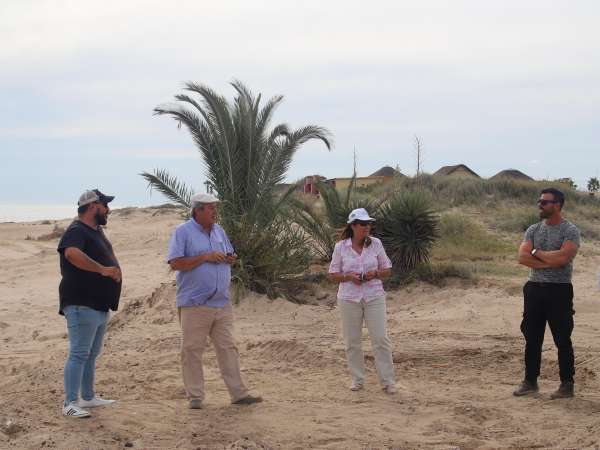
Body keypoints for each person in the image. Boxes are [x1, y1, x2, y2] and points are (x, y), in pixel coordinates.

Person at [167, 193, 262, 409]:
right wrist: (205, 257)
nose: (215, 212)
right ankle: (195, 397)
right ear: (198, 210)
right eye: (210, 208)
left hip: (222, 302)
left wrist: (230, 258)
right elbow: (175, 263)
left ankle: (238, 393)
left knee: (228, 348)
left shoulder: (219, 231)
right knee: (192, 350)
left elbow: (230, 254)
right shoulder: (183, 232)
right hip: (195, 303)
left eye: (215, 208)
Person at [57, 189, 122, 418]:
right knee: (79, 353)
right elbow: (72, 254)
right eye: (105, 205)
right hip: (81, 302)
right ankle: (70, 402)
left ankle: (87, 396)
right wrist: (103, 269)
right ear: (94, 206)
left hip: (98, 304)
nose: (108, 210)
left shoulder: (95, 231)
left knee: (91, 353)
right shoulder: (76, 230)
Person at [514, 188, 580, 399]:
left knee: (562, 339)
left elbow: (563, 259)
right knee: (532, 338)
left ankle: (567, 384)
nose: (540, 205)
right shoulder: (533, 229)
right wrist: (547, 260)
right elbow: (522, 258)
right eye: (539, 201)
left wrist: (536, 253)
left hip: (559, 290)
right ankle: (530, 381)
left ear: (557, 205)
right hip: (534, 289)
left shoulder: (570, 230)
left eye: (545, 202)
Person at [328, 208, 396, 394]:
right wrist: (349, 277)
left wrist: (374, 273)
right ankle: (357, 379)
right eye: (363, 224)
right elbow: (333, 274)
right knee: (352, 341)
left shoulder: (376, 244)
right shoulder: (340, 247)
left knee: (380, 339)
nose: (367, 227)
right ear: (353, 226)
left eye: (369, 224)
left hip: (374, 296)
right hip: (349, 298)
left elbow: (387, 269)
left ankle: (387, 381)